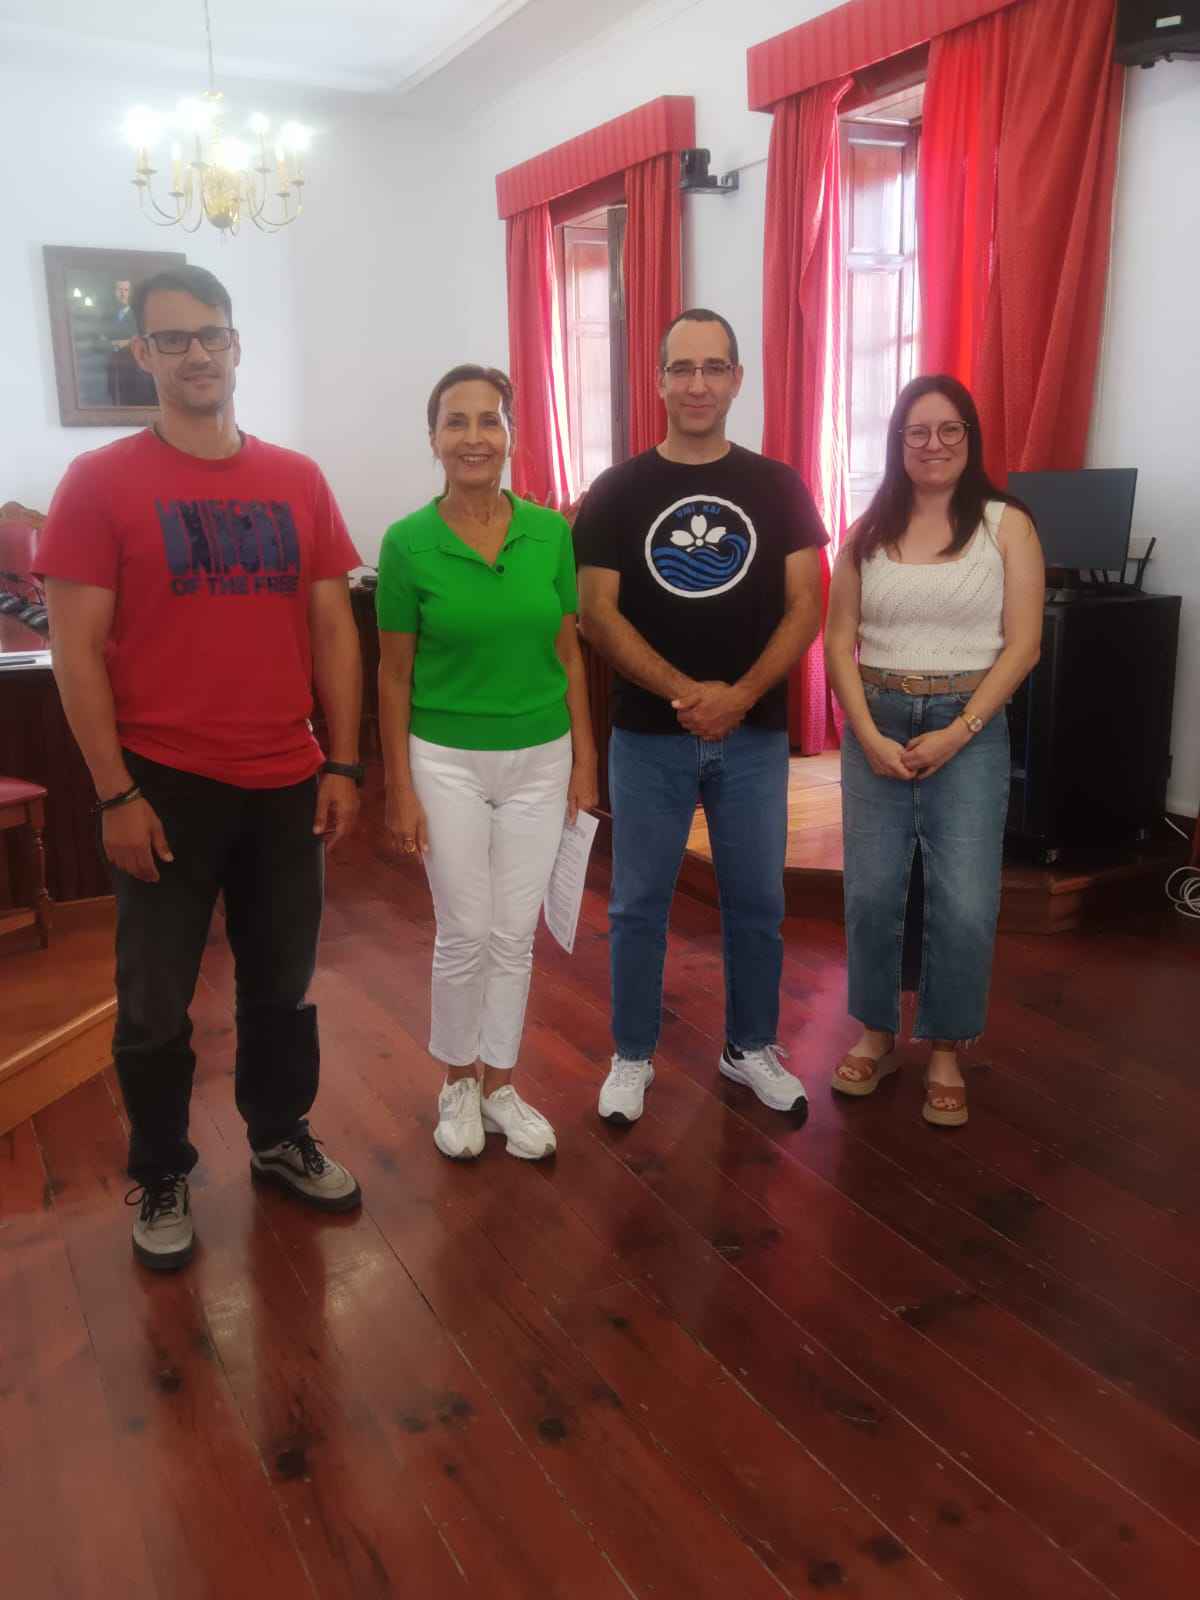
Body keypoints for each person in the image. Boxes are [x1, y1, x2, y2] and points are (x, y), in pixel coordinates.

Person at [39, 264, 364, 1272]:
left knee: (282, 988)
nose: (195, 354)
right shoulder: (99, 483)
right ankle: (163, 1168)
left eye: (210, 335)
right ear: (142, 353)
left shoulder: (297, 478)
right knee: (153, 1003)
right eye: (172, 338)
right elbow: (74, 653)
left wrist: (344, 762)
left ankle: (278, 1134)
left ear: (235, 344)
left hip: (285, 780)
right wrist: (115, 793)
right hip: (164, 785)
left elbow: (332, 628)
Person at [574, 309, 827, 1125]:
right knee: (637, 906)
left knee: (757, 903)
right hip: (647, 738)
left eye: (714, 367)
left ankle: (750, 1047)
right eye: (681, 368)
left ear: (736, 380)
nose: (697, 384)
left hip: (753, 736)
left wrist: (740, 696)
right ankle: (631, 1055)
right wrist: (690, 693)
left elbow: (807, 604)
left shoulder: (779, 485)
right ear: (658, 381)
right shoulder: (616, 491)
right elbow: (597, 615)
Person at [377, 365, 596, 1162]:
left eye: (490, 420)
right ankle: (457, 1082)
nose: (474, 437)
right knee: (465, 929)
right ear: (433, 438)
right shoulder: (406, 543)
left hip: (542, 757)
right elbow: (393, 675)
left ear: (510, 435)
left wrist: (585, 760)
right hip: (446, 761)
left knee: (513, 933)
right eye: (456, 421)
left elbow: (568, 654)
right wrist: (399, 787)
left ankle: (501, 1085)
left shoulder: (551, 535)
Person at [824, 374, 1044, 1126]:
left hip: (967, 722)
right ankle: (877, 1033)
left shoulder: (1006, 524)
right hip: (878, 716)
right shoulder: (866, 530)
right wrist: (865, 732)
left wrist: (960, 730)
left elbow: (1023, 646)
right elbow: (838, 640)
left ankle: (946, 1048)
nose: (934, 444)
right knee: (872, 892)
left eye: (950, 429)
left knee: (965, 899)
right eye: (917, 431)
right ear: (899, 442)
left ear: (970, 438)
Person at [107, 278, 157, 406]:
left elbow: (144, 337)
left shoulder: (138, 315)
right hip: (114, 366)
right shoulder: (108, 316)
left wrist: (124, 343)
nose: (122, 293)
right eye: (119, 290)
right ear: (114, 292)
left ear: (130, 293)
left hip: (134, 366)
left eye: (126, 290)